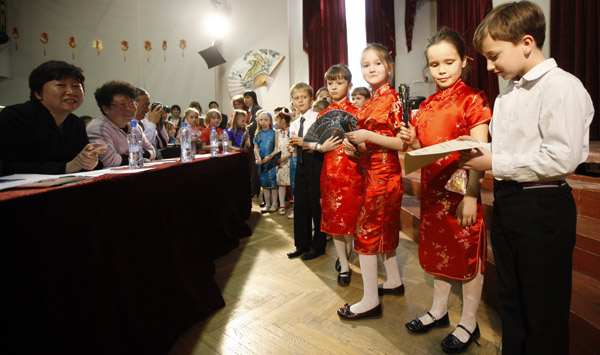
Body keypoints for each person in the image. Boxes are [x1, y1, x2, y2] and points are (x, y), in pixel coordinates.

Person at [460, 2, 594, 353]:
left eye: (494, 55)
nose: (490, 66)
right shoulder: (508, 95)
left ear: (526, 42)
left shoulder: (561, 87)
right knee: (512, 300)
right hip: (509, 201)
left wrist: (493, 161)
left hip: (543, 206)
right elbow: (510, 149)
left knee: (543, 309)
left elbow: (561, 158)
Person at [399, 28, 492, 354]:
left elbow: (479, 153)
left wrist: (470, 196)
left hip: (460, 193)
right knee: (439, 256)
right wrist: (411, 141)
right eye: (434, 64)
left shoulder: (473, 99)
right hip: (432, 194)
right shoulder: (425, 106)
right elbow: (423, 150)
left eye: (449, 62)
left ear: (464, 61)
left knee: (467, 259)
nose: (441, 69)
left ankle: (469, 321)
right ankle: (438, 312)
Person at [338, 44, 408, 320]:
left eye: (377, 63)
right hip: (371, 172)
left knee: (366, 233)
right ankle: (393, 281)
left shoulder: (395, 100)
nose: (371, 69)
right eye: (366, 65)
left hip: (385, 174)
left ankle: (369, 301)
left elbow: (401, 143)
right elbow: (369, 143)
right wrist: (353, 147)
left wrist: (366, 135)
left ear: (389, 67)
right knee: (382, 232)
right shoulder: (369, 102)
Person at [0, 60, 106, 176]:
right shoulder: (14, 117)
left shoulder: (76, 123)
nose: (71, 92)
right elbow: (8, 166)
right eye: (61, 85)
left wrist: (90, 162)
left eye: (76, 86)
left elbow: (80, 162)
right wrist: (66, 167)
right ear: (38, 93)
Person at [317, 64, 363, 287]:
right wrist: (320, 148)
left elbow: (366, 146)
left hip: (353, 173)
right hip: (330, 174)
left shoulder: (358, 112)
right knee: (334, 221)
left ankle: (348, 253)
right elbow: (311, 143)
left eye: (340, 82)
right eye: (331, 83)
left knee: (352, 220)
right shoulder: (323, 114)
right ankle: (344, 264)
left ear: (349, 85)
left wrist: (356, 149)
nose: (334, 87)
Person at [287, 82, 325, 260]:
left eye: (303, 97)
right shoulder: (294, 123)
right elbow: (295, 147)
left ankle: (318, 246)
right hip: (300, 163)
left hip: (315, 163)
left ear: (311, 99)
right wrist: (292, 148)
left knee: (315, 206)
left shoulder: (318, 117)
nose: (300, 101)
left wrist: (303, 144)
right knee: (300, 205)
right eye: (296, 98)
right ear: (292, 101)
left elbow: (320, 144)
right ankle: (302, 244)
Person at [87, 80, 157, 168]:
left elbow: (152, 151)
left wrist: (133, 155)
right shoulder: (98, 128)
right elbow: (109, 160)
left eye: (132, 103)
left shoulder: (134, 127)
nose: (129, 109)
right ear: (105, 109)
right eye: (121, 105)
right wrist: (137, 156)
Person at [253, 110, 278, 213]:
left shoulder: (274, 133)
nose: (263, 122)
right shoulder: (258, 134)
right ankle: (267, 204)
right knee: (265, 185)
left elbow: (276, 148)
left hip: (271, 162)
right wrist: (258, 158)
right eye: (261, 120)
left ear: (270, 121)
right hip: (262, 162)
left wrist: (269, 157)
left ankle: (275, 204)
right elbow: (255, 148)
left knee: (273, 184)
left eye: (265, 120)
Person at [135, 87, 167, 156]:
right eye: (145, 105)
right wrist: (152, 123)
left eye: (148, 105)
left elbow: (162, 145)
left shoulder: (144, 122)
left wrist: (159, 124)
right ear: (134, 104)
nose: (148, 109)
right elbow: (142, 146)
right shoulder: (128, 124)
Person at [274, 108, 292, 215]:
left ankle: (294, 206)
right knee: (281, 183)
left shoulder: (291, 131)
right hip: (280, 162)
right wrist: (277, 159)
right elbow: (276, 147)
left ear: (283, 120)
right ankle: (282, 204)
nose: (276, 123)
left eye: (277, 121)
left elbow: (292, 149)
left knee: (292, 184)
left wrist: (285, 157)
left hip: (289, 160)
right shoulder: (277, 133)